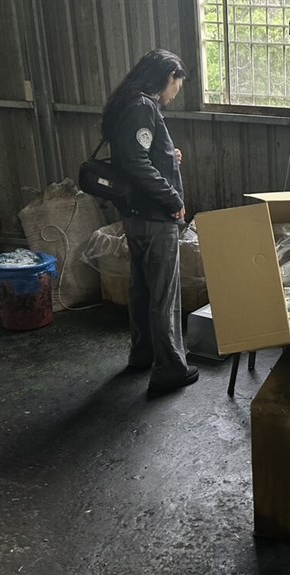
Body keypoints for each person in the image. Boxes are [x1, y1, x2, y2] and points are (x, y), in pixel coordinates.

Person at [101, 49, 198, 395]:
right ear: (168, 76)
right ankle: (169, 369)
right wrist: (173, 199)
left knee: (142, 290)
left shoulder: (128, 102)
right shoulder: (143, 105)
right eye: (177, 86)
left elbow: (136, 152)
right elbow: (135, 160)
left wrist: (168, 156)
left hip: (136, 215)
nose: (175, 94)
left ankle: (142, 354)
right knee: (164, 295)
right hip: (156, 217)